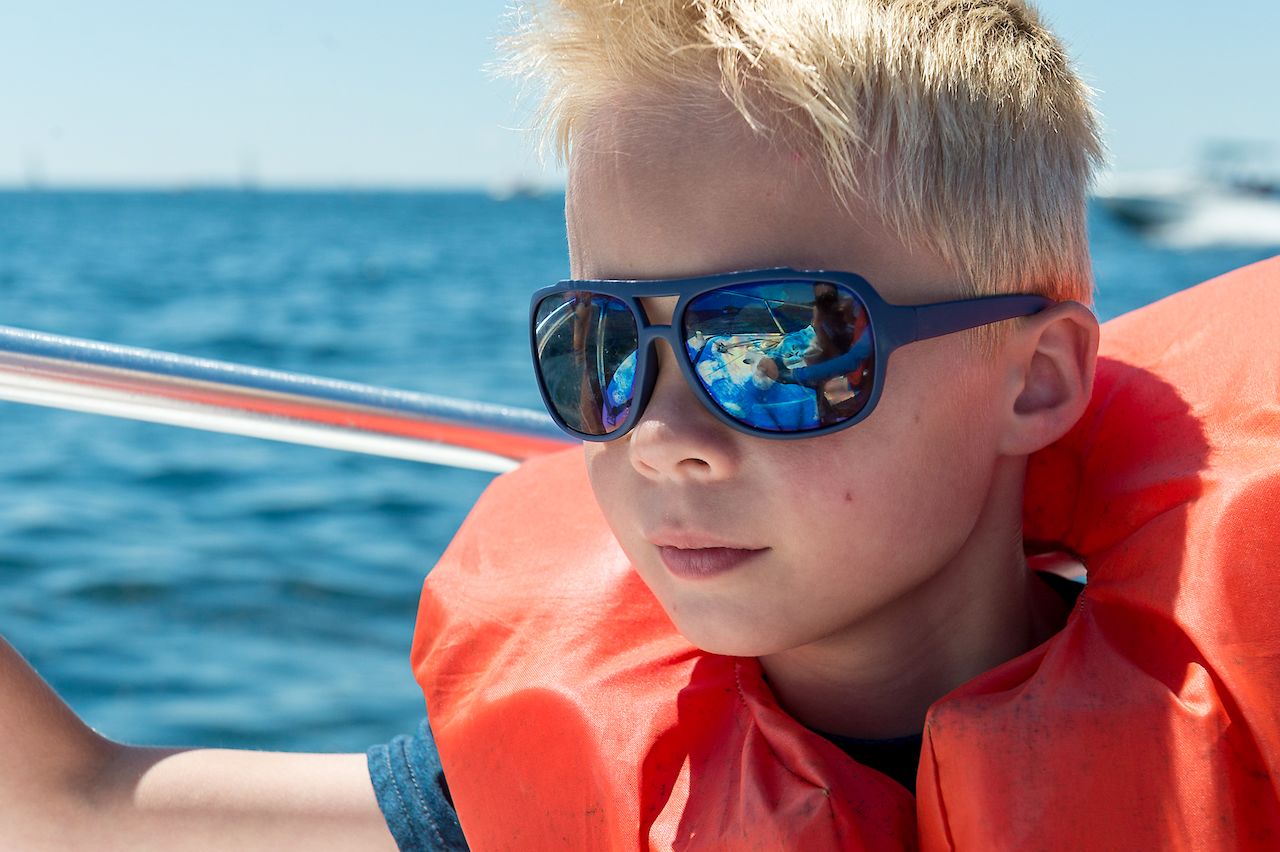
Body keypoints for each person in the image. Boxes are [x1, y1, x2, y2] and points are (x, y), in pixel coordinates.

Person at [4, 1, 1276, 850]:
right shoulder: (568, 767)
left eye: (778, 341)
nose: (661, 435)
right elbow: (74, 803)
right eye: (602, 345)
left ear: (1034, 381)